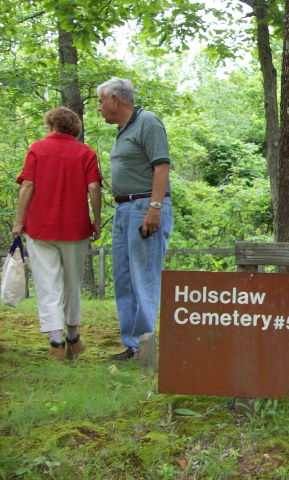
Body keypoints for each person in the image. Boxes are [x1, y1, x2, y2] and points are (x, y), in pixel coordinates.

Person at [13, 107, 102, 362]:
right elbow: (94, 187)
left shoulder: (37, 149)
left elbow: (28, 185)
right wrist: (95, 220)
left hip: (41, 228)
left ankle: (55, 343)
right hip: (75, 228)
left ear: (51, 125)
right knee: (72, 283)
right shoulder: (86, 152)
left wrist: (19, 222)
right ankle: (73, 338)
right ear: (73, 128)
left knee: (47, 284)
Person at [97, 78, 174, 360]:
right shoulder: (123, 130)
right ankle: (131, 345)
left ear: (115, 99)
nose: (99, 108)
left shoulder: (148, 122)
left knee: (144, 276)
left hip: (145, 207)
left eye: (100, 101)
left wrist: (154, 207)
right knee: (125, 279)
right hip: (123, 209)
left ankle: (146, 347)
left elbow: (161, 166)